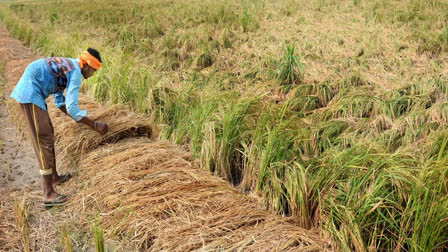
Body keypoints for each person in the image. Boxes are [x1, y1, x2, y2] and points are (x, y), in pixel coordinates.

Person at [10, 48, 109, 207]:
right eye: (94, 71)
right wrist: (94, 124)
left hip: (33, 91)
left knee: (48, 134)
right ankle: (48, 193)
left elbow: (59, 101)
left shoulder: (69, 66)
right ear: (88, 66)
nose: (92, 75)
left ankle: (54, 178)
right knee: (43, 141)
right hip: (30, 93)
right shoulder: (75, 72)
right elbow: (71, 108)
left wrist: (78, 118)